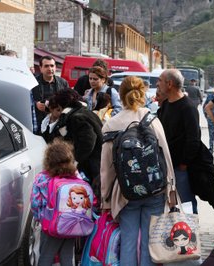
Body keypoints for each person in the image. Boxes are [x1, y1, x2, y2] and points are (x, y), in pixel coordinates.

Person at [100, 76, 176, 266]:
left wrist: (105, 198)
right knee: (150, 243)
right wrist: (171, 188)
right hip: (155, 189)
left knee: (128, 242)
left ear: (121, 94)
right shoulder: (152, 119)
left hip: (125, 193)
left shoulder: (111, 124)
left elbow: (107, 167)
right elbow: (165, 155)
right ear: (143, 93)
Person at [157, 69, 201, 213]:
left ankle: (191, 234)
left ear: (169, 84)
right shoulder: (166, 105)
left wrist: (184, 164)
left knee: (187, 204)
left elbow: (194, 139)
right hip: (166, 166)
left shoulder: (187, 107)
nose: (157, 84)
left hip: (180, 168)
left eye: (160, 81)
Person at [30, 139, 78, 265]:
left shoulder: (41, 178)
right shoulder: (76, 176)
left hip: (50, 224)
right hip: (71, 224)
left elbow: (35, 203)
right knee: (67, 257)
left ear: (48, 161)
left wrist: (39, 218)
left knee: (46, 256)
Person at [54, 89, 103, 190]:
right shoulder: (85, 112)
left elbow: (88, 142)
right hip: (98, 162)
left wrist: (76, 160)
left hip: (92, 165)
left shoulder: (77, 117)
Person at [31, 55, 70, 135]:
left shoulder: (63, 83)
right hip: (39, 122)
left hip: (58, 122)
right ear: (41, 68)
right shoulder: (32, 82)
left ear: (55, 67)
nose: (50, 69)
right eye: (46, 66)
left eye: (52, 66)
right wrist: (36, 104)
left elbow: (69, 102)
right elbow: (26, 100)